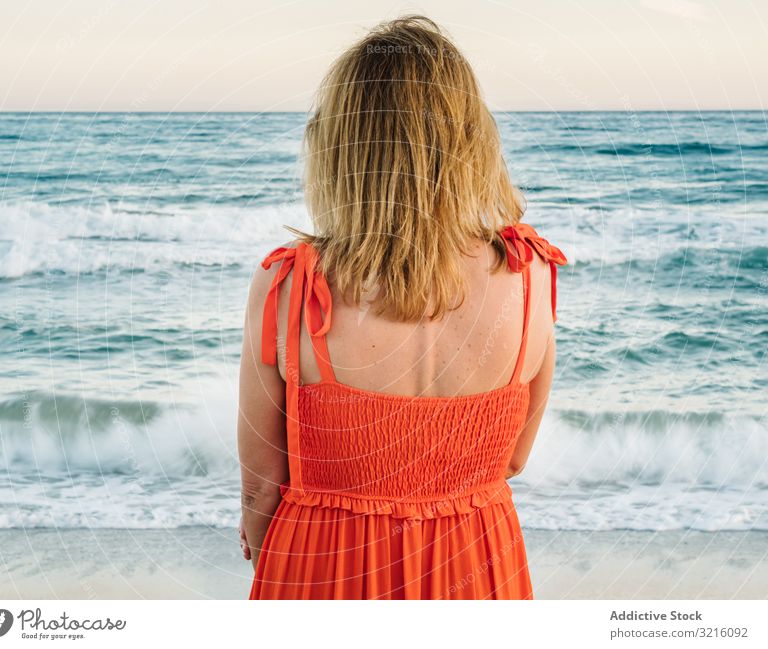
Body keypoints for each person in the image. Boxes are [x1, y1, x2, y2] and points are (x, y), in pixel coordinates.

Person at [237, 14, 567, 599]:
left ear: (341, 143)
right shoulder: (531, 274)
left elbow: (262, 486)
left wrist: (269, 552)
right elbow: (514, 458)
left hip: (324, 571)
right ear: (469, 140)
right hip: (477, 566)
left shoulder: (289, 285)